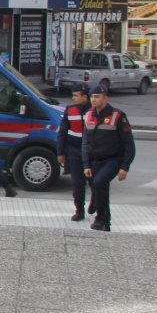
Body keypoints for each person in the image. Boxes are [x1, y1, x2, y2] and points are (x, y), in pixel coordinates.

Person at [81, 84, 135, 232]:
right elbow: (85, 142)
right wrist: (86, 164)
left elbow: (129, 144)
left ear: (106, 98)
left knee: (99, 184)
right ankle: (104, 220)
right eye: (92, 96)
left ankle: (99, 216)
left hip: (112, 160)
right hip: (94, 160)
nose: (93, 99)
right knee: (100, 189)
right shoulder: (88, 115)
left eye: (97, 96)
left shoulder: (118, 116)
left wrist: (125, 167)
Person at [57, 82, 91, 222]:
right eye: (73, 95)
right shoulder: (70, 110)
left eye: (76, 96)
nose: (73, 98)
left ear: (85, 97)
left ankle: (94, 203)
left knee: (96, 182)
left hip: (92, 151)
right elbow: (62, 132)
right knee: (78, 183)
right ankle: (79, 210)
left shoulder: (94, 110)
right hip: (74, 150)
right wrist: (61, 152)